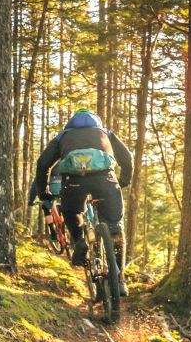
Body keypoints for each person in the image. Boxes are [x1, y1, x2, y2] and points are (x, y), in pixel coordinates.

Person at [36, 109, 133, 296]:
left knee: (71, 211)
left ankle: (79, 241)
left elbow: (42, 164)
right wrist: (124, 181)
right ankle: (120, 281)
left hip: (74, 182)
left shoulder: (63, 136)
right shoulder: (105, 133)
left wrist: (44, 193)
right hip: (105, 180)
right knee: (115, 229)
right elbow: (127, 157)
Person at [28, 163, 62, 241]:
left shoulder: (43, 169)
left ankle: (53, 233)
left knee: (46, 208)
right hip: (64, 189)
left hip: (51, 191)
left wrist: (31, 200)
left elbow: (34, 188)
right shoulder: (63, 166)